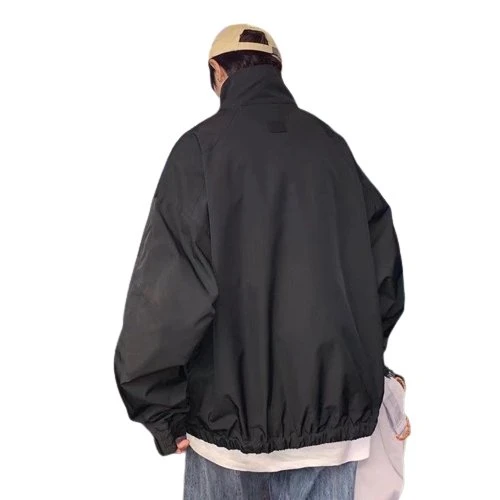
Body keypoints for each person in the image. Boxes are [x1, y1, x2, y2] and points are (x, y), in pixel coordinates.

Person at [114, 24, 405, 500]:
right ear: (277, 70)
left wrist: (160, 411)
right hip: (336, 436)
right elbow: (383, 282)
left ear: (217, 70)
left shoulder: (200, 151)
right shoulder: (332, 148)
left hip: (228, 438)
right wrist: (356, 374)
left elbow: (165, 299)